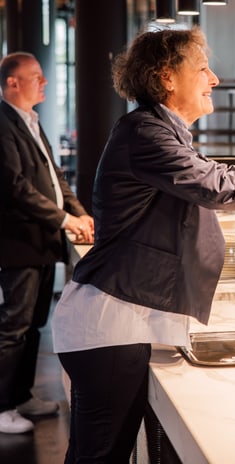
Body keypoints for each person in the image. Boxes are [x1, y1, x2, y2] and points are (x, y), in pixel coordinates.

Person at [50, 27, 235, 462]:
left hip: (117, 322)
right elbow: (222, 188)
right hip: (109, 326)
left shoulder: (158, 130)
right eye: (203, 69)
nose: (215, 79)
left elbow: (218, 180)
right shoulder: (145, 133)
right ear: (167, 77)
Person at [0, 52, 94, 434]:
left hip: (42, 242)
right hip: (18, 242)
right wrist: (64, 219)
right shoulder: (3, 123)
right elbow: (15, 187)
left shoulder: (31, 121)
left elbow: (55, 179)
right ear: (12, 83)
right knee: (14, 326)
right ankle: (3, 406)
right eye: (36, 76)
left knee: (35, 324)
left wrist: (78, 212)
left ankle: (21, 396)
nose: (45, 82)